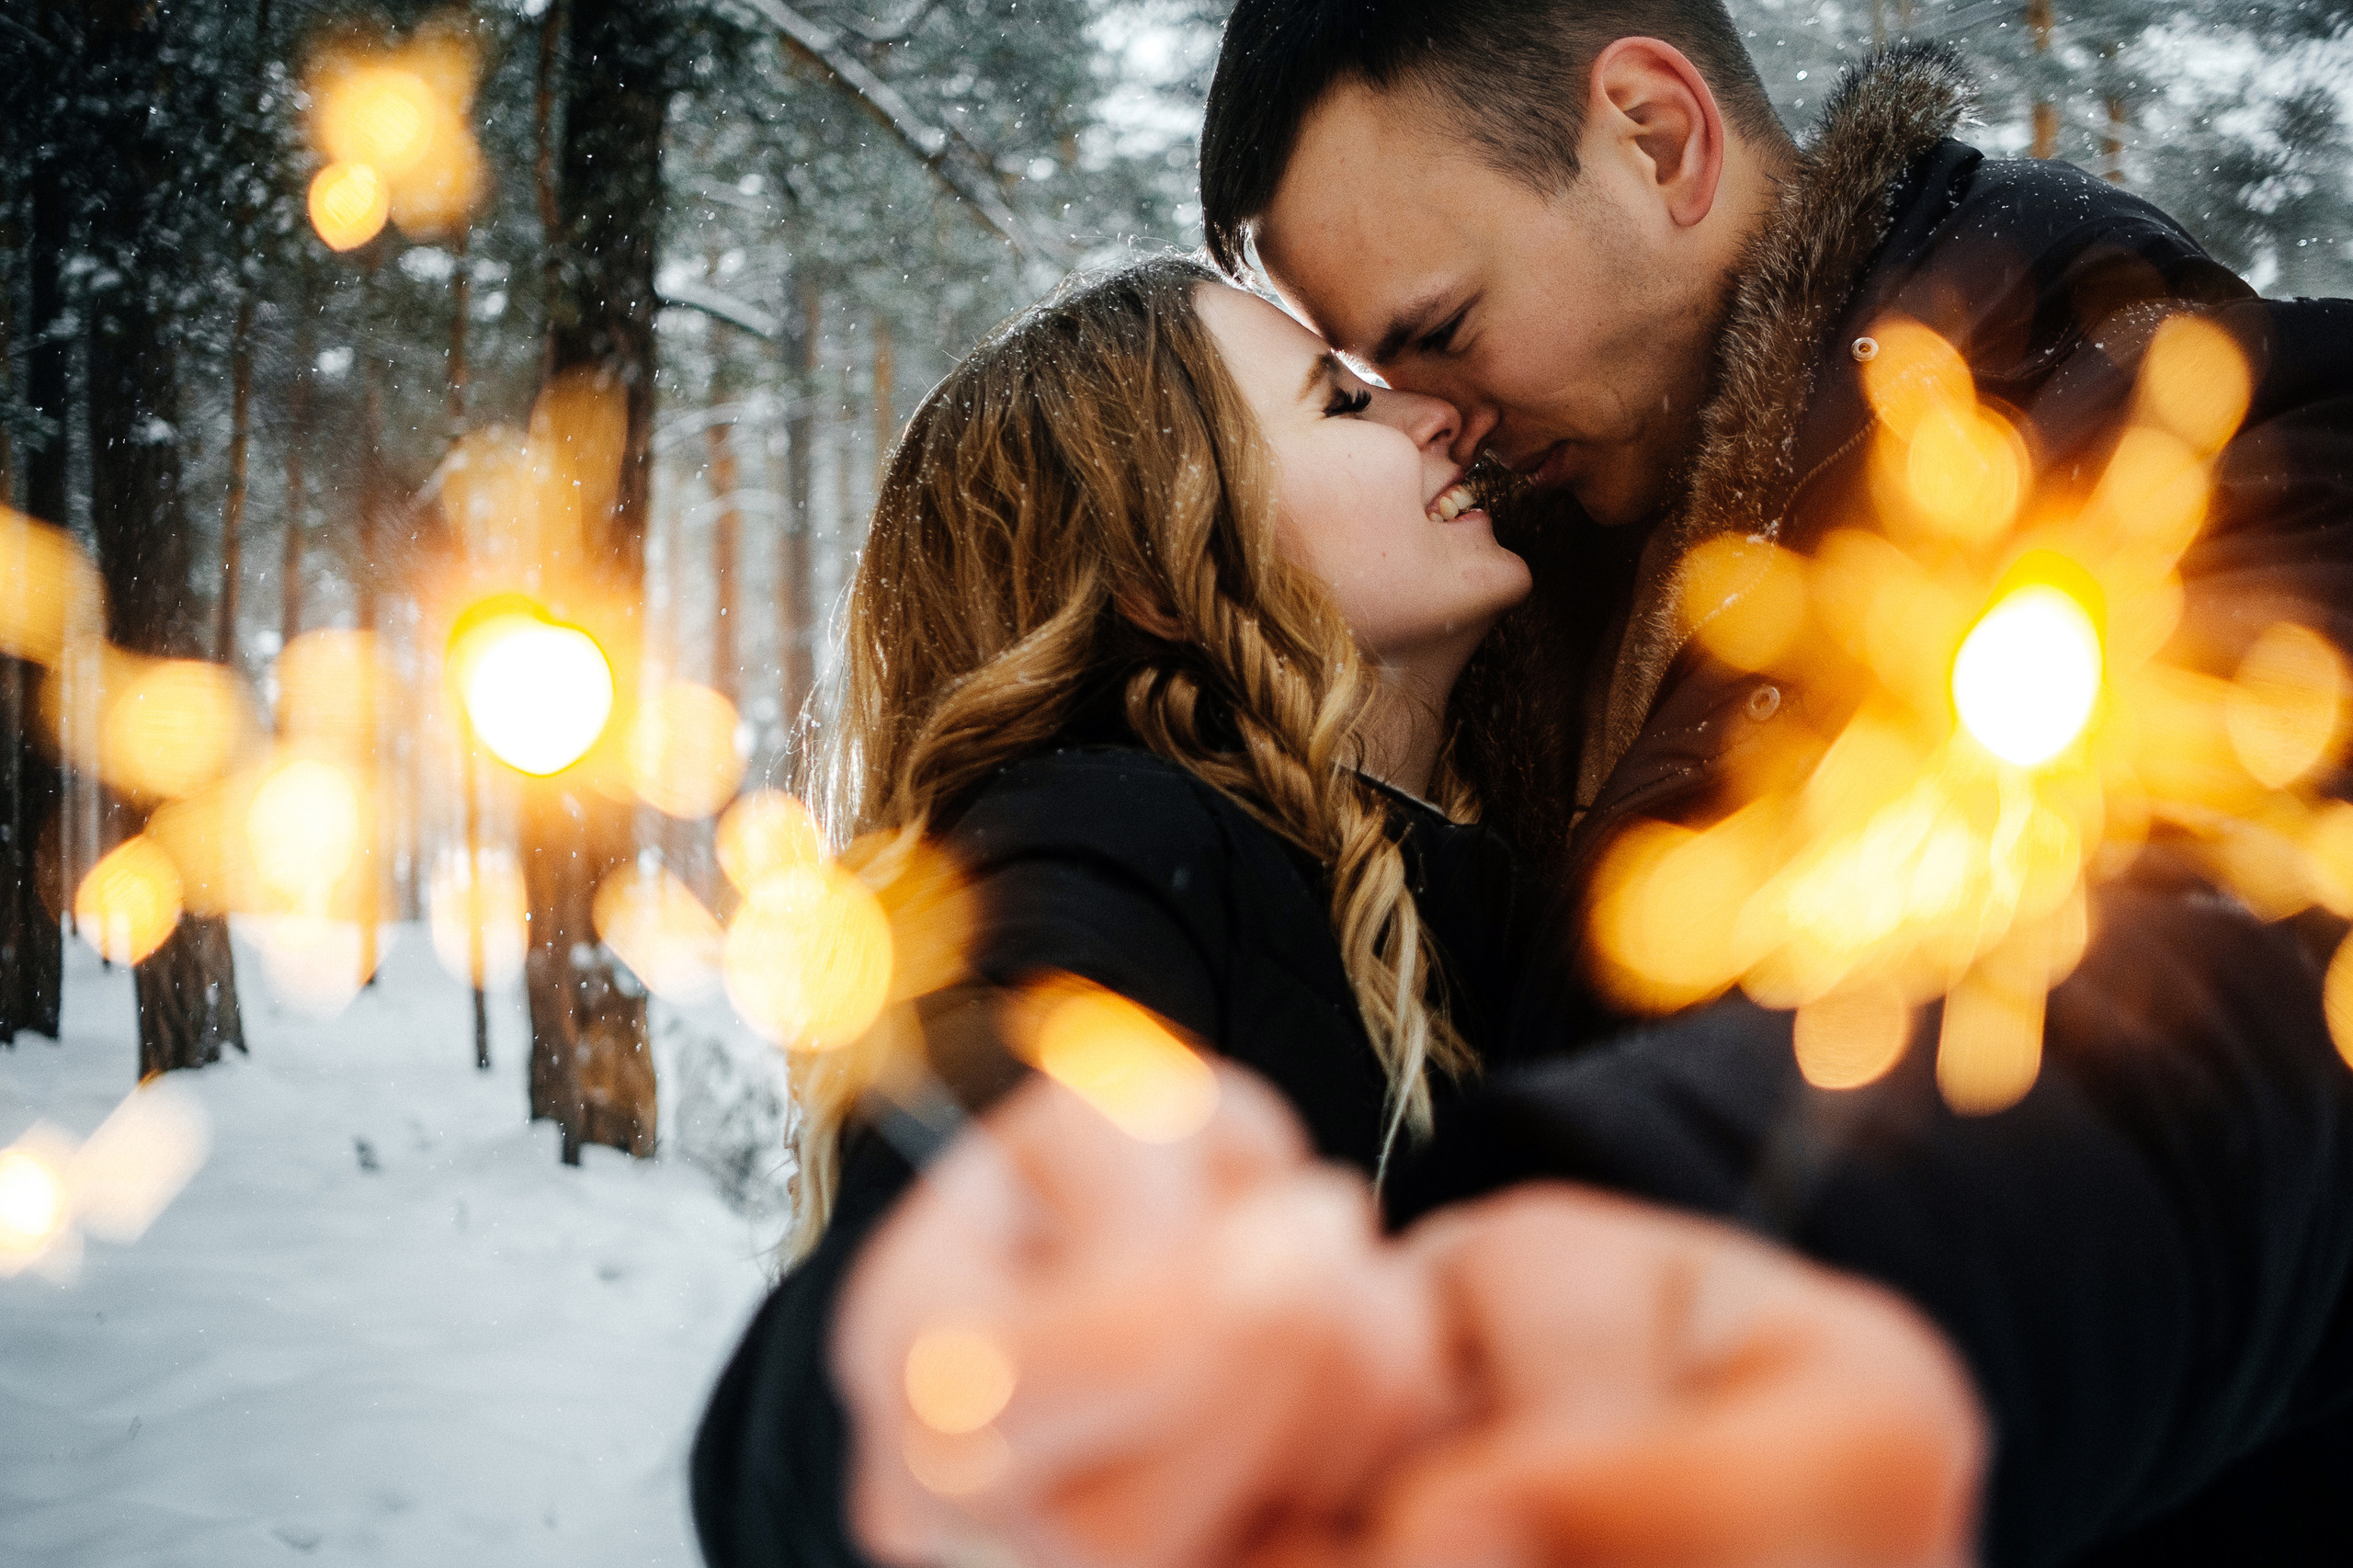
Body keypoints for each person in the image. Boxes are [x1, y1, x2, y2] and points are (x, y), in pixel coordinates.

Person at [1143, 4, 2349, 1565]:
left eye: (1439, 328)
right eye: (1367, 381)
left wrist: (1682, 1293)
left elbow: (2218, 1005)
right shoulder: (1514, 607)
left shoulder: (2168, 453)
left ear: (1656, 135)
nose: (1434, 419)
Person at [691, 256, 1984, 1567]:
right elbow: (906, 1310)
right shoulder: (1102, 829)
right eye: (1340, 403)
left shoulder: (1526, 886)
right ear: (1157, 564)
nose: (1441, 416)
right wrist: (945, 1367)